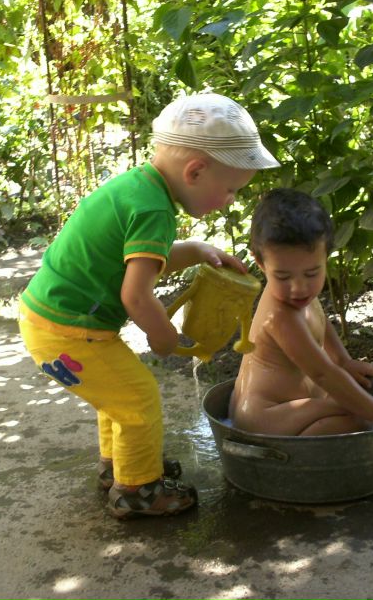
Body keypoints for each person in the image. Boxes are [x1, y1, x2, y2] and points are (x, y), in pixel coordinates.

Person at [18, 93, 279, 519]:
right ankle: (137, 490)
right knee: (138, 401)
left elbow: (140, 260)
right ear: (195, 171)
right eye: (230, 189)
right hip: (68, 331)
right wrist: (162, 334)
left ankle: (120, 465)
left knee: (119, 398)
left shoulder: (139, 188)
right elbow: (135, 294)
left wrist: (195, 250)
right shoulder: (156, 210)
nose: (230, 199)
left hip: (51, 321)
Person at [229, 188, 373, 436]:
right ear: (261, 263)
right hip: (265, 417)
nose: (299, 287)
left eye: (311, 273)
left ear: (325, 257)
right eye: (283, 276)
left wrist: (343, 360)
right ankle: (297, 460)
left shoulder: (296, 292)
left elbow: (320, 321)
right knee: (358, 418)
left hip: (285, 409)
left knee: (354, 397)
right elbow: (322, 373)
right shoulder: (281, 315)